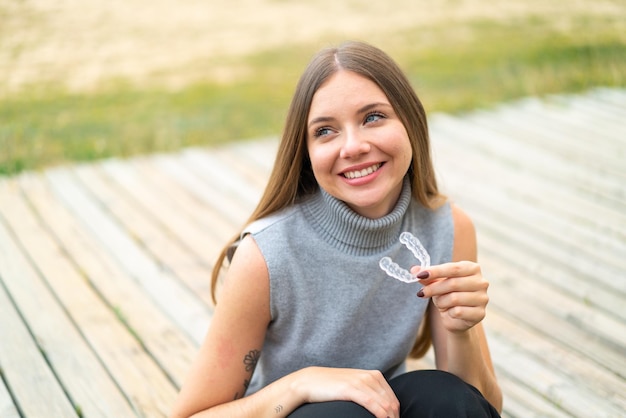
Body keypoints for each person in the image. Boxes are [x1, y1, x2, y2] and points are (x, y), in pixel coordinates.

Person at [170, 41, 502, 418]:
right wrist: (300, 384)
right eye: (325, 131)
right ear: (307, 152)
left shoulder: (447, 228)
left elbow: (481, 407)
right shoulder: (267, 255)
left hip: (384, 408)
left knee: (443, 395)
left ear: (410, 120)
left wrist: (461, 329)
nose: (354, 146)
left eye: (373, 117)